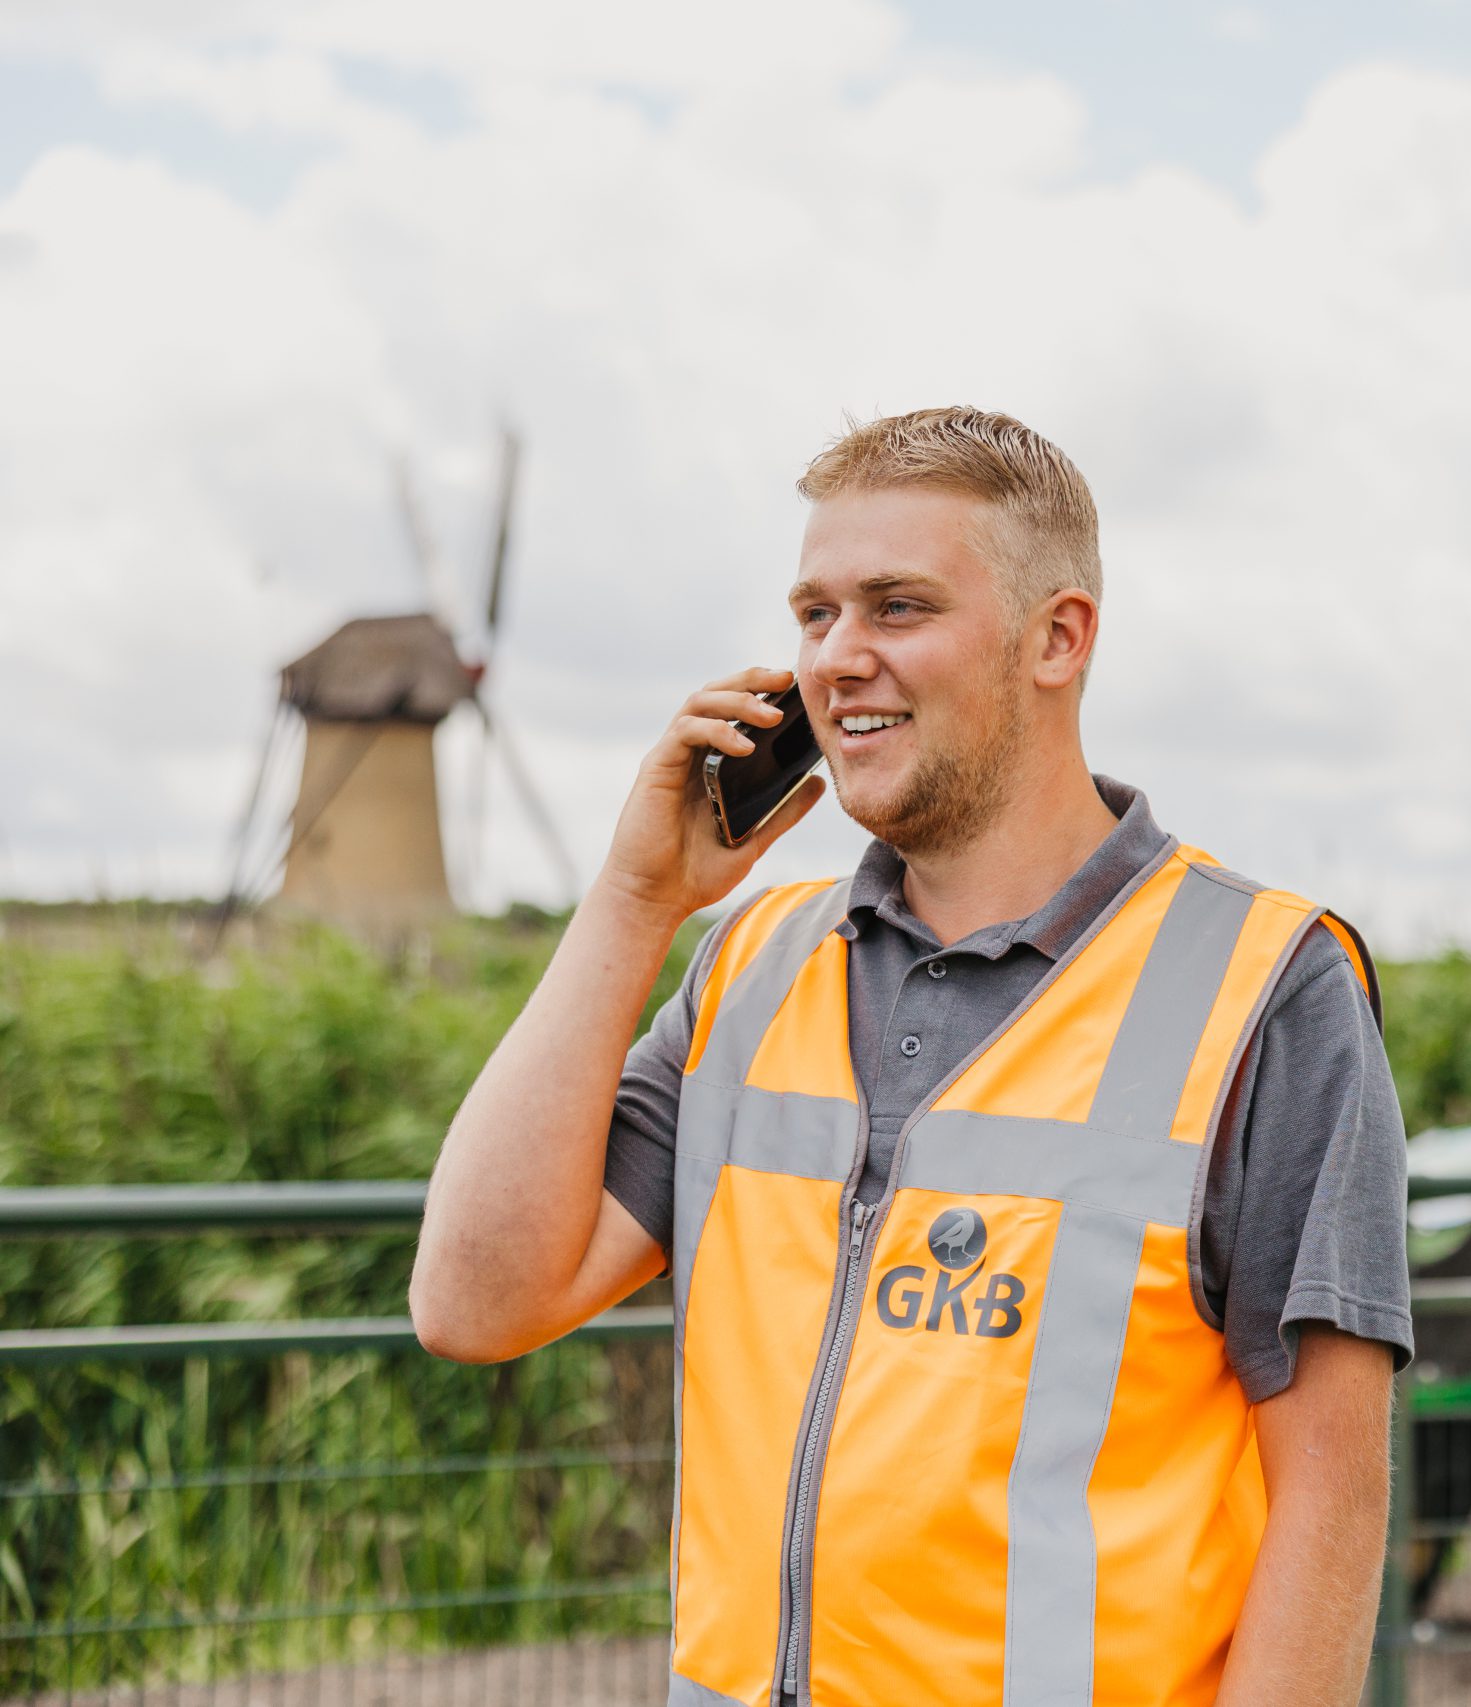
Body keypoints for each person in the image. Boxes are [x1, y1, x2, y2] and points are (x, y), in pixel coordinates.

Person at [408, 406, 1412, 1707]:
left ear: (1059, 638)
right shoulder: (749, 965)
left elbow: (1328, 1497)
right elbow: (474, 1304)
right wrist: (634, 901)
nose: (838, 658)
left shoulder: (1270, 985)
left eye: (897, 607)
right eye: (815, 614)